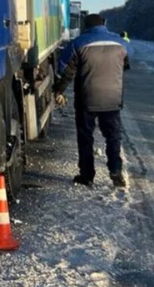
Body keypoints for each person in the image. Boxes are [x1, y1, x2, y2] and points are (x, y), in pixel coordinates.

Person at [53, 13, 130, 188]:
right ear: (103, 24)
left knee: (86, 137)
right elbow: (125, 65)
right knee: (113, 137)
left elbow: (66, 70)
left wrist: (58, 89)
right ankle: (116, 173)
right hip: (112, 99)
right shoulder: (120, 43)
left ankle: (87, 175)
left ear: (86, 26)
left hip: (86, 99)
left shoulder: (78, 43)